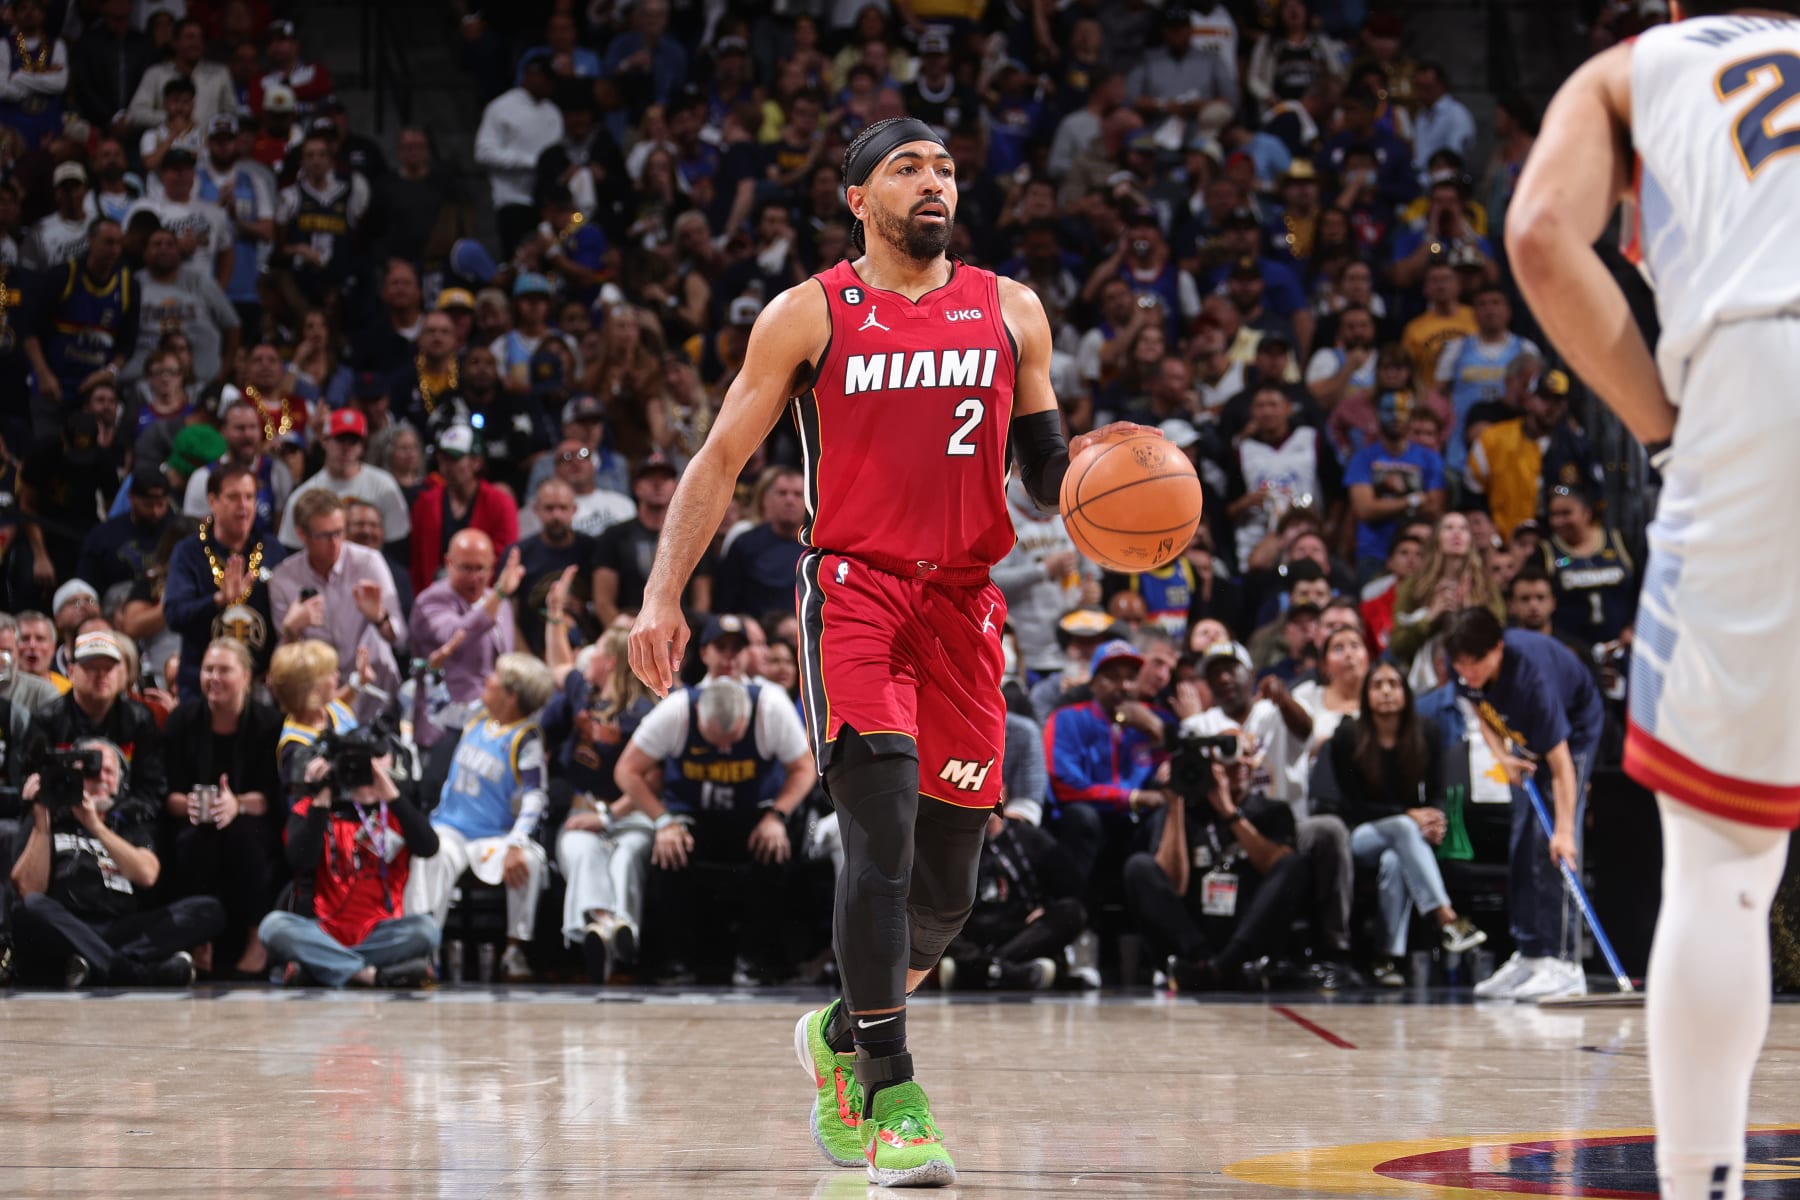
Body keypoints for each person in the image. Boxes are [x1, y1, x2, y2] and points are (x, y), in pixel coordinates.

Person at [625, 115, 1147, 1184]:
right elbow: (720, 459)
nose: (934, 182)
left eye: (945, 168)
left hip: (966, 604)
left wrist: (1111, 484)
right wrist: (661, 593)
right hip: (856, 594)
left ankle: (837, 1032)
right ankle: (892, 1096)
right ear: (857, 198)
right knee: (882, 836)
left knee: (948, 893)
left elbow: (1044, 468)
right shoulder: (808, 313)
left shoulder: (1012, 308)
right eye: (907, 168)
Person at [1442, 607, 1604, 1002]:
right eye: (1460, 664)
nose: (1467, 671)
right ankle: (1531, 954)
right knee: (1522, 842)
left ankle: (1563, 963)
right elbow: (1479, 707)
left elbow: (1562, 767)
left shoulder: (1533, 680)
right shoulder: (1464, 667)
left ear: (1497, 648)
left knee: (1551, 847)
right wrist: (1502, 756)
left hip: (1572, 732)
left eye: (1475, 662)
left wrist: (1565, 831)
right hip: (1522, 734)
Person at [1320, 660, 1485, 987]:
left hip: (1405, 838)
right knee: (1402, 828)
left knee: (1395, 860)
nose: (1385, 692)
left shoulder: (1427, 732)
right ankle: (1446, 918)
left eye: (1393, 684)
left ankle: (1387, 958)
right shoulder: (1348, 735)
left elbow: (1438, 792)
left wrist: (1434, 819)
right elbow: (1350, 806)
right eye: (1377, 685)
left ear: (1406, 693)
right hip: (1358, 834)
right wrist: (1409, 814)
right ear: (1366, 695)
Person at [9, 736, 222, 987]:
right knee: (31, 906)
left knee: (208, 910)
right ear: (73, 777)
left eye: (109, 772)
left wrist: (95, 825)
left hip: (120, 927)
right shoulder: (48, 818)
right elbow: (28, 889)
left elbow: (147, 874)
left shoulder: (131, 821)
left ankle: (95, 965)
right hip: (67, 925)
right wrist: (41, 821)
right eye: (91, 770)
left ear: (119, 782)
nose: (101, 777)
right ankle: (134, 972)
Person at [403, 653, 557, 984]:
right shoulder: (477, 715)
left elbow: (535, 796)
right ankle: (423, 950)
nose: (488, 679)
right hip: (451, 828)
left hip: (494, 836)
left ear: (511, 695)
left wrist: (517, 842)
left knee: (529, 861)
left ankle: (514, 951)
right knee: (431, 854)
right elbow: (439, 711)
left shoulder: (525, 738)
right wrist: (433, 672)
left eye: (496, 676)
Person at [259, 733, 440, 989]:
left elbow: (429, 847)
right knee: (273, 927)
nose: (362, 776)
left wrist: (391, 793)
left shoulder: (396, 811)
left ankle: (321, 966)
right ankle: (369, 975)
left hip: (380, 932)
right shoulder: (313, 808)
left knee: (426, 930)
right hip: (321, 930)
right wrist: (323, 796)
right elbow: (300, 859)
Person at [542, 623, 657, 983]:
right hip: (582, 809)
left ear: (610, 662)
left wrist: (609, 816)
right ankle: (607, 926)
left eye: (598, 650)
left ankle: (619, 931)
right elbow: (558, 666)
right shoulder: (583, 692)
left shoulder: (643, 712)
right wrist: (555, 617)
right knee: (581, 851)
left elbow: (653, 779)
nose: (588, 655)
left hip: (630, 812)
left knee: (626, 856)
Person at [162, 637, 283, 978]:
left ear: (245, 676)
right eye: (208, 669)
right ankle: (199, 938)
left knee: (245, 838)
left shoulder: (269, 723)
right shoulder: (182, 720)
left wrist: (236, 804)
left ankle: (257, 940)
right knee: (193, 841)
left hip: (250, 818)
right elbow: (167, 795)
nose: (214, 678)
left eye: (224, 670)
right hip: (193, 819)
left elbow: (271, 796)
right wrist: (190, 804)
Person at [269, 491, 407, 720]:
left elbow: (400, 639)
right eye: (324, 536)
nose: (335, 543)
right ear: (302, 534)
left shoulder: (369, 562)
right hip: (319, 699)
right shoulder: (283, 578)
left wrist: (379, 617)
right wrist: (291, 630)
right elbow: (285, 665)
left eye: (339, 532)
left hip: (372, 691)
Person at [1043, 638, 1169, 886]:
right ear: (1093, 683)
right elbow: (1065, 785)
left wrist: (1158, 732)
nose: (1124, 686)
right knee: (1081, 816)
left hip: (1137, 821)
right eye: (1112, 677)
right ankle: (1073, 902)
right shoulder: (1067, 718)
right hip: (1092, 818)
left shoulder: (1159, 719)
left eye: (1131, 677)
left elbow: (1181, 770)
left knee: (1166, 813)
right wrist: (1131, 797)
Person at [162, 464, 288, 698]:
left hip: (260, 688)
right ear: (212, 501)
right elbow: (175, 615)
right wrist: (218, 600)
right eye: (233, 497)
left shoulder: (272, 549)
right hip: (202, 688)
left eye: (249, 497)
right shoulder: (189, 552)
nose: (243, 506)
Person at [409, 531, 524, 749]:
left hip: (489, 728)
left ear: (492, 567)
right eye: (466, 568)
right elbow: (457, 635)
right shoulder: (431, 601)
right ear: (449, 563)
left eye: (480, 568)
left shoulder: (500, 603)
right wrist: (499, 594)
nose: (474, 577)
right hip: (444, 729)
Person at [1344, 391, 1448, 582]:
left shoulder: (1430, 459)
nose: (1395, 417)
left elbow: (1434, 508)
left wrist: (1381, 506)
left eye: (1402, 411)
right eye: (1388, 410)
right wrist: (1412, 500)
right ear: (1376, 414)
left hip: (1419, 553)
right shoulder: (1363, 458)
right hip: (1373, 552)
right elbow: (1365, 509)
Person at [275, 409, 412, 551]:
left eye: (353, 441)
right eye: (340, 440)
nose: (346, 448)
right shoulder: (303, 496)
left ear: (362, 446)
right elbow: (291, 549)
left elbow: (397, 544)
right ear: (324, 441)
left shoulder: (384, 485)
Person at [408, 425, 519, 587]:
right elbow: (416, 563)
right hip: (434, 594)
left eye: (454, 459)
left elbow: (504, 559)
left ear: (477, 462)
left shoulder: (500, 503)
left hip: (484, 594)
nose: (446, 466)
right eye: (442, 458)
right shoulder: (425, 503)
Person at [712, 466, 808, 619]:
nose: (790, 500)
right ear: (766, 500)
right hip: (753, 630)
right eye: (782, 493)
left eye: (798, 494)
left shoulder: (817, 549)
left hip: (802, 629)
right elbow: (724, 606)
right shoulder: (744, 543)